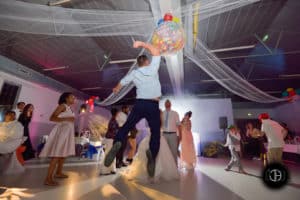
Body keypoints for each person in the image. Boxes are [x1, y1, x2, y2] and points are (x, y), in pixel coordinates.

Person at [104, 40, 161, 177]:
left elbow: (122, 83)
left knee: (128, 125)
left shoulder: (135, 73)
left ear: (138, 64)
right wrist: (142, 44)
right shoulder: (152, 68)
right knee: (155, 132)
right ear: (147, 62)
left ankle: (117, 143)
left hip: (139, 104)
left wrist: (117, 88)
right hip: (153, 105)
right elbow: (156, 52)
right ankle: (152, 156)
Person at [123, 110, 179, 182]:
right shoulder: (160, 119)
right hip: (158, 138)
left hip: (151, 137)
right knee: (161, 154)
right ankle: (155, 171)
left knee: (149, 153)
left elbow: (149, 126)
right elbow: (161, 127)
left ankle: (151, 171)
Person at [40, 92, 76, 186]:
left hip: (67, 133)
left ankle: (58, 172)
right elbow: (52, 118)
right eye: (72, 97)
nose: (74, 99)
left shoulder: (68, 108)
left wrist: (69, 119)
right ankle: (48, 179)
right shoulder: (62, 106)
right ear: (66, 98)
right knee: (57, 154)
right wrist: (67, 119)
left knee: (63, 153)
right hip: (61, 132)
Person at [100, 108, 119, 175]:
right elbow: (114, 131)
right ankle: (105, 170)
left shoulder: (114, 120)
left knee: (112, 154)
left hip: (111, 139)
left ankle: (112, 169)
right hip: (111, 139)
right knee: (108, 154)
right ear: (116, 113)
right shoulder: (113, 121)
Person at [162, 100, 181, 165]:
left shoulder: (175, 113)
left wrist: (180, 135)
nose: (167, 104)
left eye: (168, 103)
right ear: (164, 104)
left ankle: (175, 167)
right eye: (166, 103)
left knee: (174, 151)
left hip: (173, 134)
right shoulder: (162, 113)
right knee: (164, 152)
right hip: (164, 134)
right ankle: (166, 167)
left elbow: (179, 125)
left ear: (171, 104)